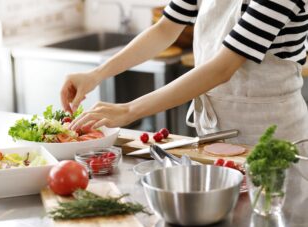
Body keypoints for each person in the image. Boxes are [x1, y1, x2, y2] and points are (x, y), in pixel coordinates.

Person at [60, 0, 308, 145]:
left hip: (273, 136)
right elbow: (165, 29)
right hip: (215, 131)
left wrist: (128, 110)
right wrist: (96, 74)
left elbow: (222, 68)